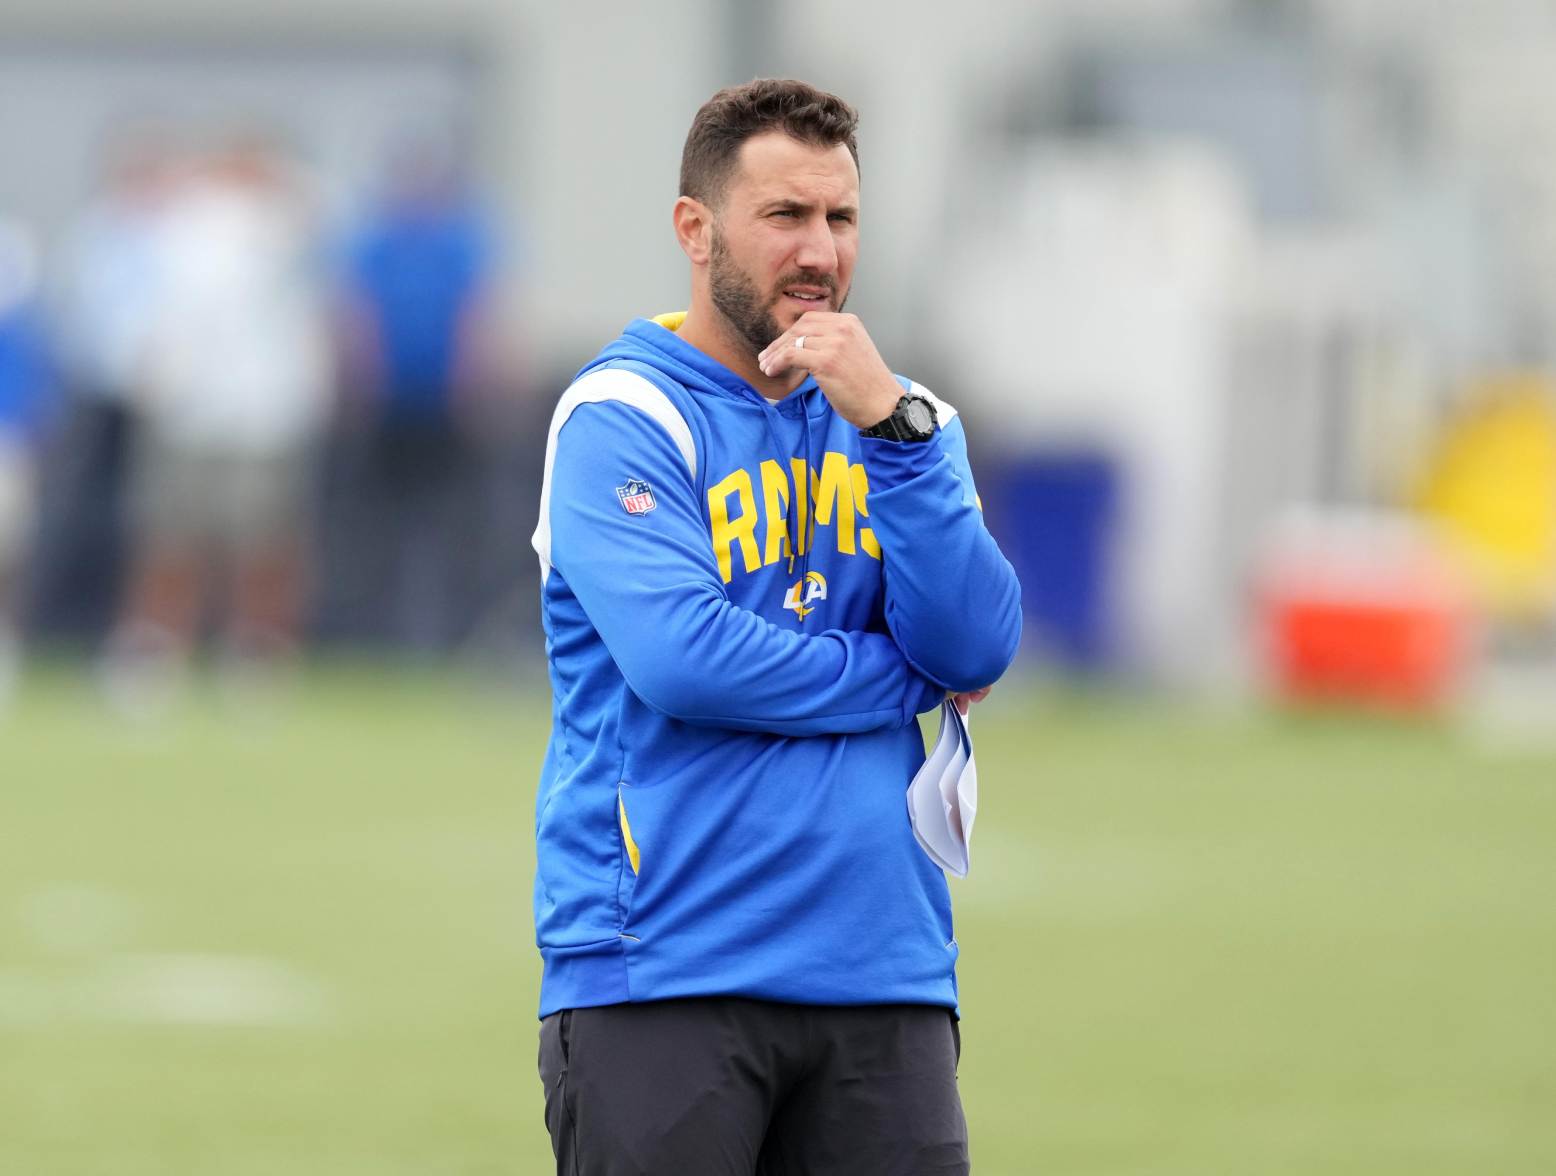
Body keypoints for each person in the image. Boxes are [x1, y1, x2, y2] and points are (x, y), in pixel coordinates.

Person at [531, 78, 1022, 1174]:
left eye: (839, 218)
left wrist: (890, 430)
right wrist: (902, 680)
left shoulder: (901, 417)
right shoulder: (623, 414)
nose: (819, 251)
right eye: (784, 217)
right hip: (665, 967)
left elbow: (981, 645)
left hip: (882, 970)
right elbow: (686, 660)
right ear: (693, 230)